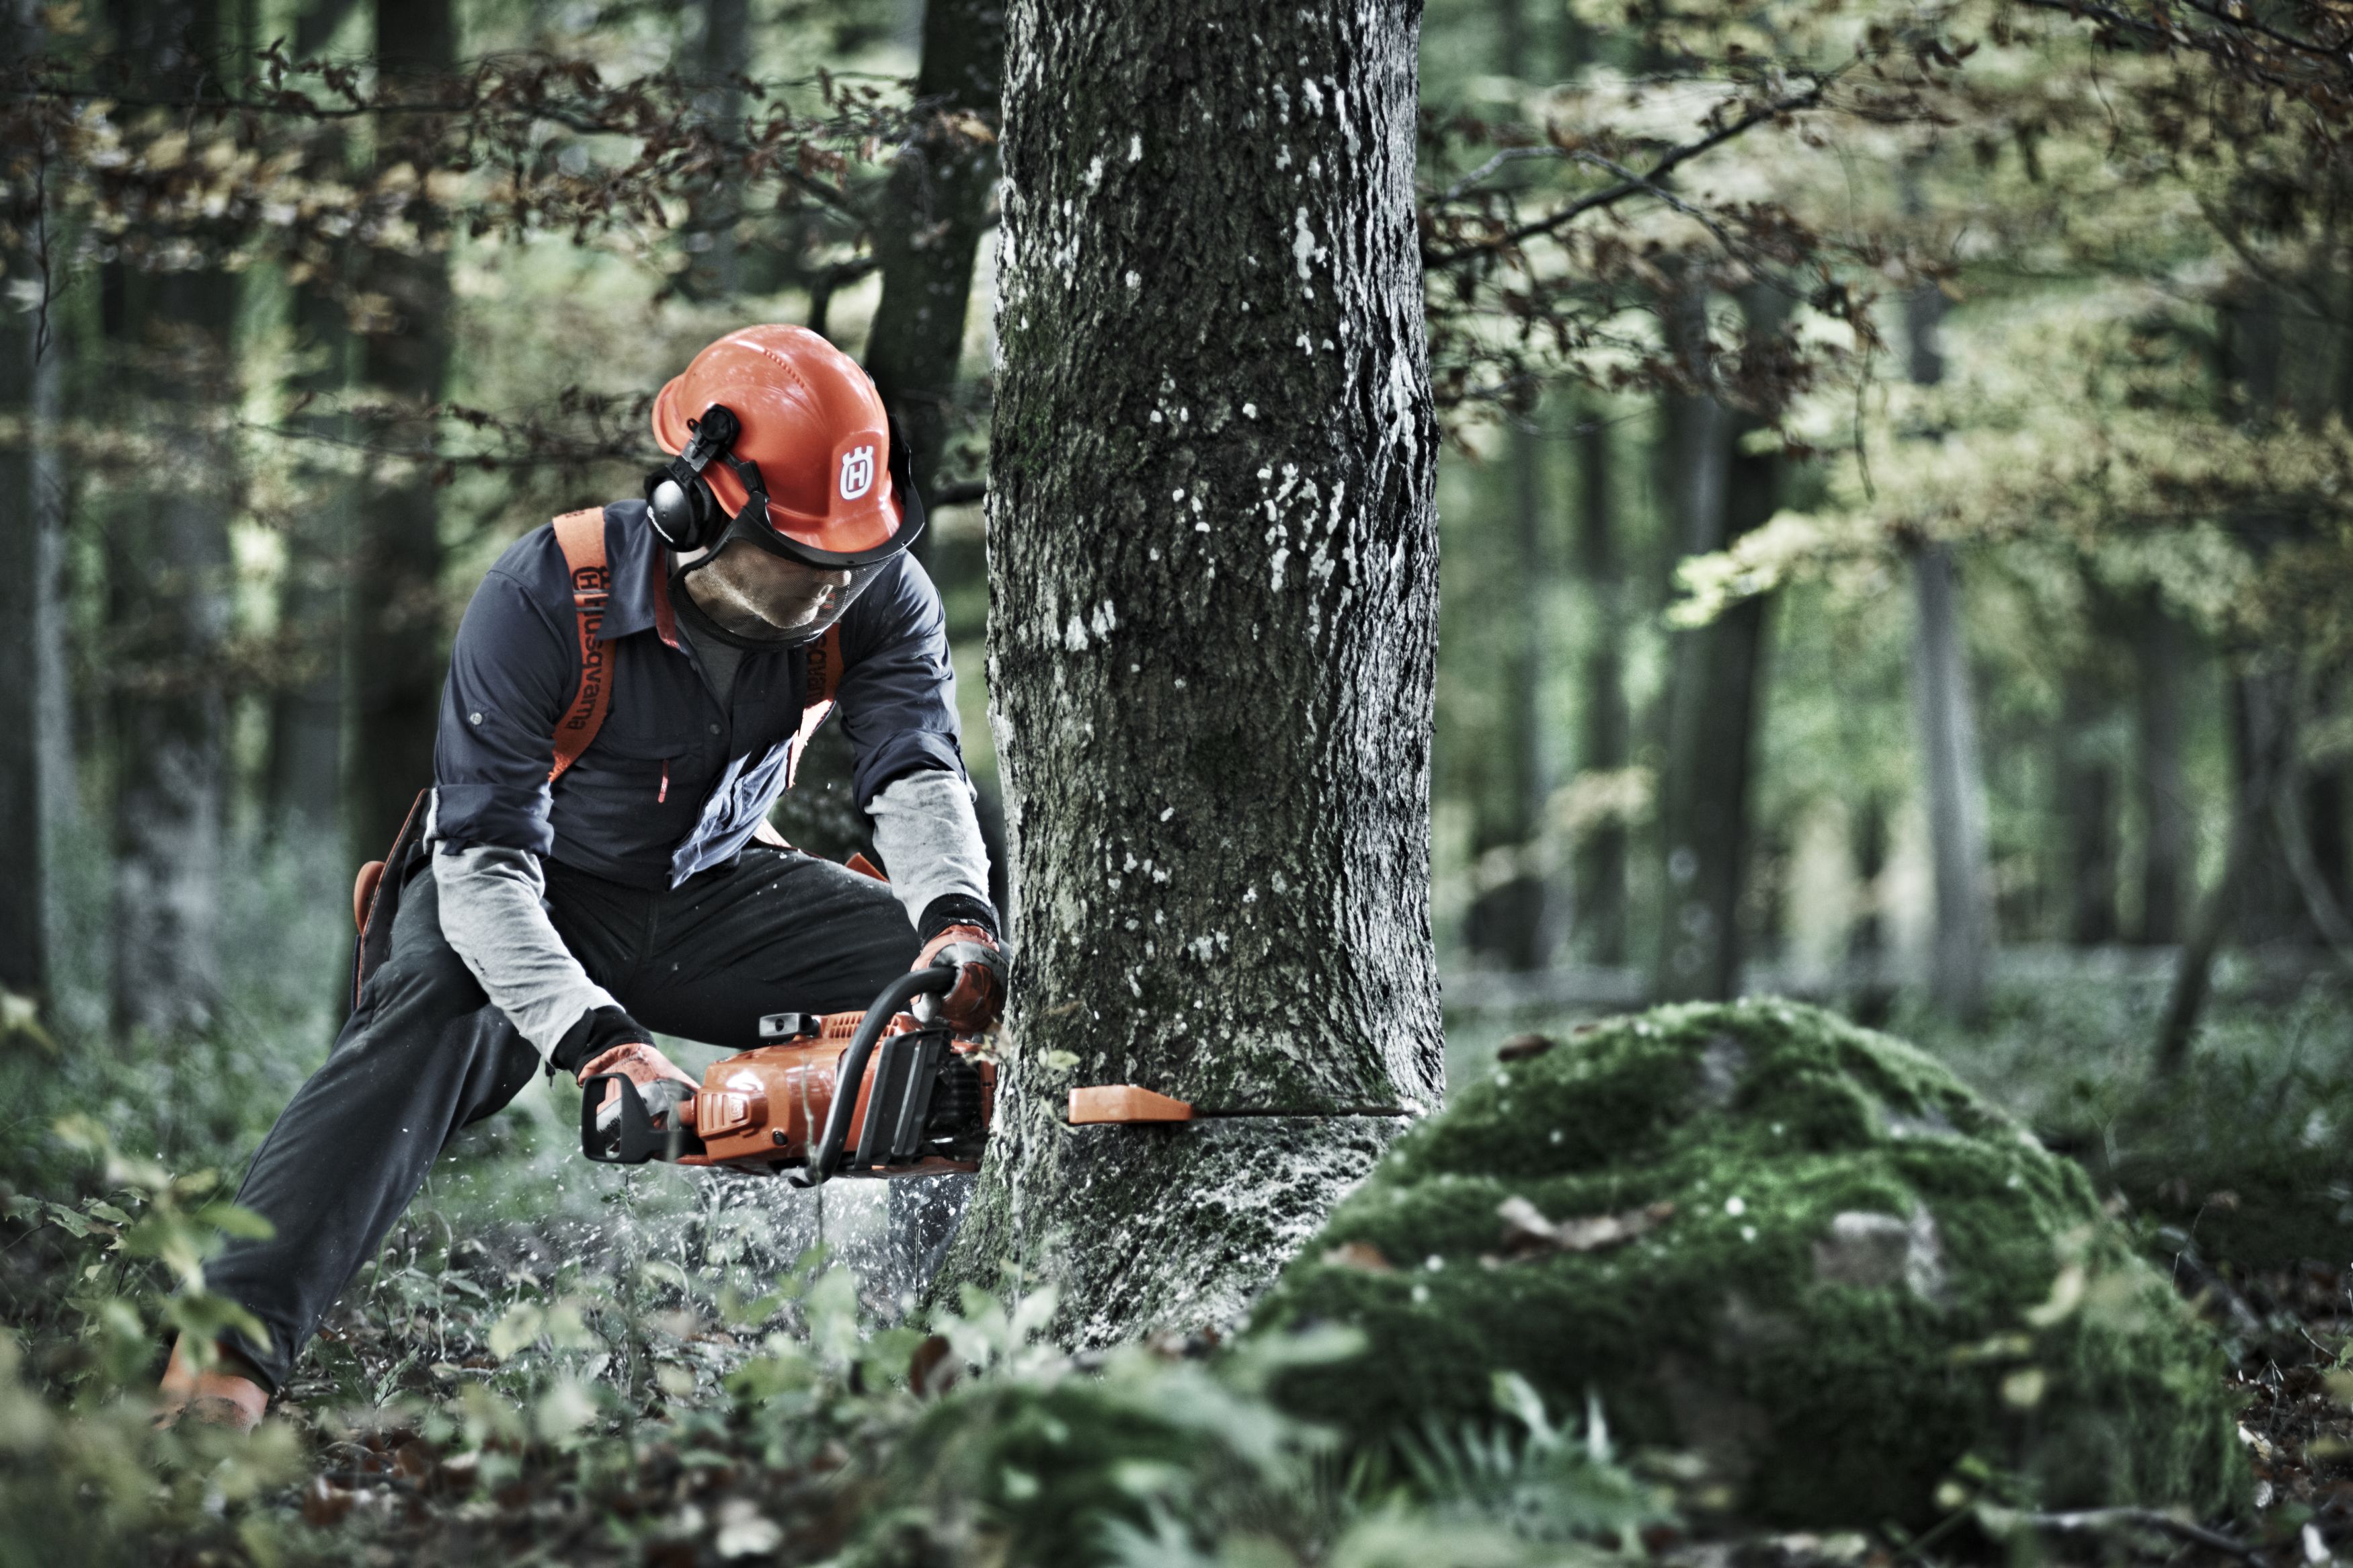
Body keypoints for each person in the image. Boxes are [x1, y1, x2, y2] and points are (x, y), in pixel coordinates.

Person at [156, 325, 1005, 1430]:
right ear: (694, 506)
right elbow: (481, 868)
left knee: (961, 995)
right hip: (527, 891)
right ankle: (221, 1366)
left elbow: (919, 772)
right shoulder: (549, 597)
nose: (826, 595)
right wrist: (594, 1038)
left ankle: (927, 1344)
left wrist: (954, 923)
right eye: (797, 560)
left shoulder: (875, 591)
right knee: (417, 1026)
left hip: (717, 892)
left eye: (844, 563)